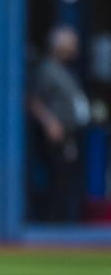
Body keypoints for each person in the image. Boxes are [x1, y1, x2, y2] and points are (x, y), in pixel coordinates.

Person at [28, 25, 90, 222]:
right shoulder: (47, 70)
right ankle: (51, 226)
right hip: (55, 135)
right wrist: (50, 123)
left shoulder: (67, 71)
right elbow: (32, 100)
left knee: (67, 181)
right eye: (70, 45)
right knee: (56, 180)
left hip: (71, 134)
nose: (74, 49)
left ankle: (63, 222)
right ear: (57, 46)